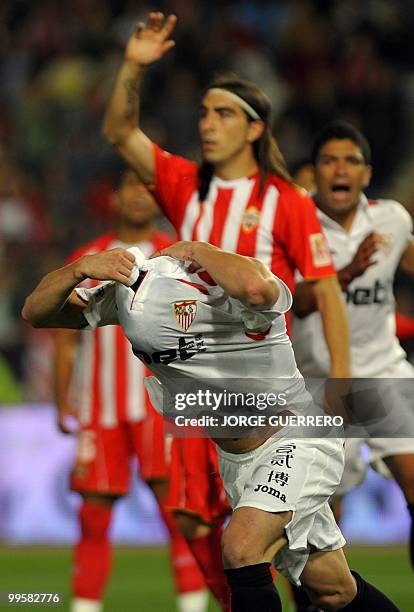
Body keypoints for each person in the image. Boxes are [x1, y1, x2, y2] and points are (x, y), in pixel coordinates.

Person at [102, 11, 351, 597]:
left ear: (255, 128)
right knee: (230, 536)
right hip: (203, 394)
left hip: (268, 391)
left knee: (250, 543)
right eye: (204, 113)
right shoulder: (187, 186)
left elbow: (324, 291)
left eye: (223, 114)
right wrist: (133, 68)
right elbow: (119, 133)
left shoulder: (285, 200)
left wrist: (343, 382)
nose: (207, 124)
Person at [22, 240, 400, 611]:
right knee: (333, 590)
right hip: (239, 462)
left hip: (296, 438)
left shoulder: (241, 285)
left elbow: (256, 289)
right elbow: (37, 314)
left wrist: (196, 249)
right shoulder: (133, 292)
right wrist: (78, 269)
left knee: (241, 548)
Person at [54, 167, 208, 612]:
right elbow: (65, 336)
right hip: (100, 406)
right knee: (92, 515)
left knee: (177, 511)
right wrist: (64, 399)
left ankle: (192, 604)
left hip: (161, 405)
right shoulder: (89, 256)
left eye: (148, 189)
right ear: (114, 197)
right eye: (130, 188)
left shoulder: (174, 256)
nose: (139, 197)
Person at [292, 120, 414, 569]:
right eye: (329, 160)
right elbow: (296, 301)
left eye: (351, 161)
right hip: (319, 382)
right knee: (319, 512)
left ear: (366, 173)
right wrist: (343, 275)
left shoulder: (392, 219)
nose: (339, 169)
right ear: (316, 170)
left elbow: (407, 255)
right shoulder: (296, 222)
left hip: (384, 370)